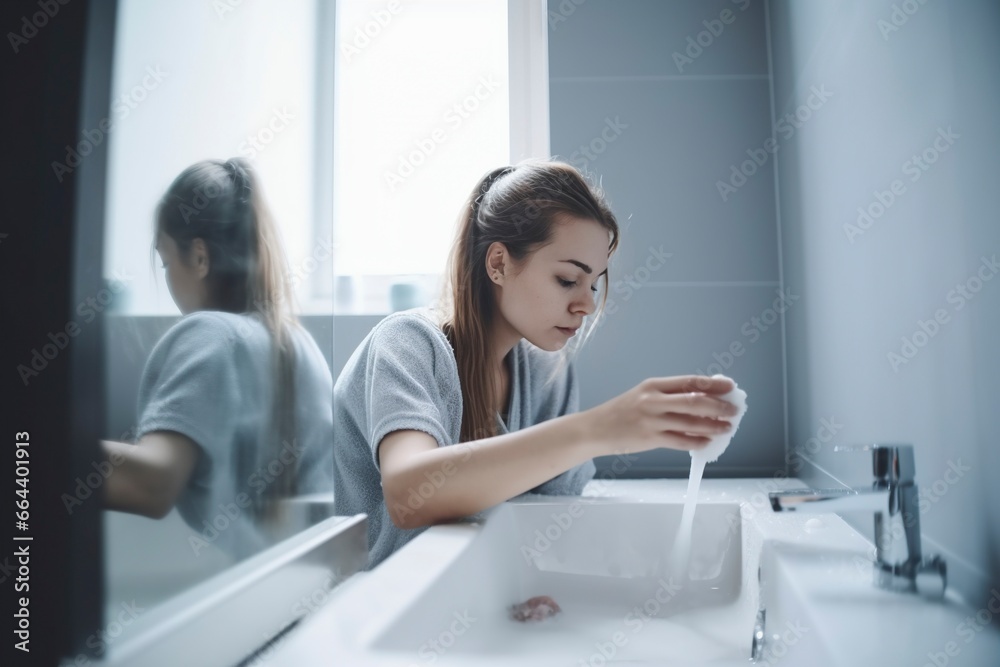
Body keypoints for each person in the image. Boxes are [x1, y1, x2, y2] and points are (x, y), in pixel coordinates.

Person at [332, 160, 737, 570]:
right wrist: (600, 429)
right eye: (567, 279)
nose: (588, 304)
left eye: (594, 283)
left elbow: (551, 524)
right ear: (498, 264)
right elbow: (409, 494)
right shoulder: (408, 344)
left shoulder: (547, 373)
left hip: (482, 603)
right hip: (384, 613)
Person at [101, 158, 334, 559]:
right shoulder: (298, 344)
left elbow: (153, 484)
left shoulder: (209, 335)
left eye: (165, 260)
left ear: (199, 257)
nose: (168, 276)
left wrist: (33, 447)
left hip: (243, 600)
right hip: (302, 590)